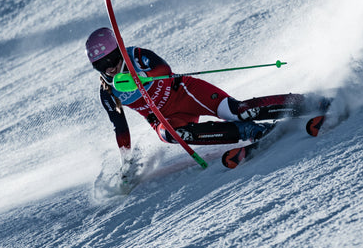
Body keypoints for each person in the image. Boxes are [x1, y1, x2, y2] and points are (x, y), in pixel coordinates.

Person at [85, 26, 328, 175]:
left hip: (185, 93)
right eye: (100, 65)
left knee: (238, 110)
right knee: (170, 134)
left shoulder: (136, 56)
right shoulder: (108, 91)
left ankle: (307, 102)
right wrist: (126, 163)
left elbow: (164, 69)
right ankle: (252, 131)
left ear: (119, 50)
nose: (109, 69)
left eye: (111, 60)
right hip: (166, 118)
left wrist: (143, 77)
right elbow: (120, 128)